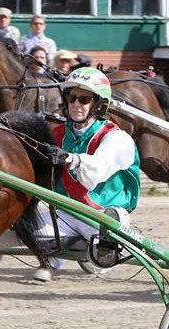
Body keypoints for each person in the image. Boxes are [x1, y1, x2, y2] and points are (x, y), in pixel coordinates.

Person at [30, 67, 140, 281]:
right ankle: (58, 254)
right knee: (20, 226)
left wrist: (71, 158)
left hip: (102, 215)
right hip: (66, 213)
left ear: (99, 104)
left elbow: (95, 171)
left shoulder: (117, 139)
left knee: (101, 255)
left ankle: (107, 244)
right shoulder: (56, 134)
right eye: (72, 98)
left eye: (84, 99)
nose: (76, 104)